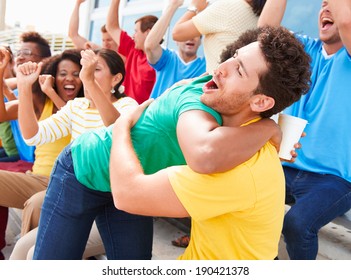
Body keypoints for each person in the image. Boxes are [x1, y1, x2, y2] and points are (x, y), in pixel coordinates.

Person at [32, 26, 310, 260]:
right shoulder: (199, 102)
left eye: (239, 69)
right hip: (84, 169)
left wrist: (269, 127)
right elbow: (204, 154)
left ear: (261, 102)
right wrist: (268, 126)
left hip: (136, 178)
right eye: (233, 57)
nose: (221, 67)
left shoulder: (236, 115)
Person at [9, 48, 138, 260]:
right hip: (76, 199)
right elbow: (33, 136)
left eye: (94, 69)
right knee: (23, 247)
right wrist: (24, 87)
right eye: (85, 71)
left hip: (112, 206)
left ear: (116, 79)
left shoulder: (128, 105)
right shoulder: (76, 106)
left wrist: (89, 82)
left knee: (35, 253)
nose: (85, 75)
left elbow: (116, 130)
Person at [258, 0, 351, 260]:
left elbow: (346, 22)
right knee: (245, 197)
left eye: (333, 3)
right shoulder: (305, 51)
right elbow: (265, 30)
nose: (326, 8)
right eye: (322, 4)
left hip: (335, 178)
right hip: (288, 165)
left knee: (298, 225)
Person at [0, 49, 84, 259]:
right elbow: (2, 113)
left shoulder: (87, 107)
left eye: (76, 73)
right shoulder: (41, 103)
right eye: (63, 73)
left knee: (38, 203)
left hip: (65, 185)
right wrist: (2, 71)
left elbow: (74, 121)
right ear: (53, 76)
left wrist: (52, 93)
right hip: (36, 180)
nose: (70, 79)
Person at [172, 0, 267, 74]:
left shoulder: (227, 7)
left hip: (218, 86)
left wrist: (194, 8)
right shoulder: (261, 15)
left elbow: (177, 33)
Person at [145, 0, 206, 99]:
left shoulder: (205, 64)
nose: (190, 38)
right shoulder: (168, 58)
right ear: (176, 41)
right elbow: (150, 46)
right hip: (157, 113)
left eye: (195, 35)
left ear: (200, 41)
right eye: (185, 34)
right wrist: (172, 6)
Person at [106, 0, 157, 104]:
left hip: (144, 115)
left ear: (147, 33)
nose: (133, 36)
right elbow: (111, 27)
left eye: (136, 31)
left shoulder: (162, 61)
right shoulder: (133, 50)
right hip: (124, 111)